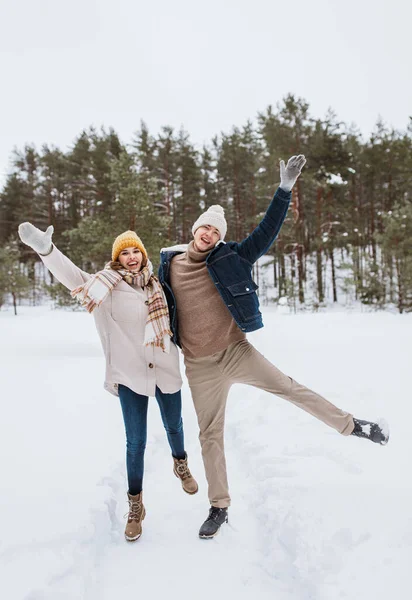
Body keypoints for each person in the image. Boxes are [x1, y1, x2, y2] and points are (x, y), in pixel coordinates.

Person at [158, 155, 389, 539]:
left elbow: (266, 232)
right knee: (209, 434)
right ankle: (219, 506)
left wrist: (284, 190)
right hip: (198, 365)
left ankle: (352, 426)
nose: (209, 235)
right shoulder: (169, 264)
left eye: (216, 231)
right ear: (195, 229)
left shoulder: (232, 256)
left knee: (289, 388)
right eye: (205, 228)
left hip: (236, 351)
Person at [17, 225, 198, 542]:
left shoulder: (159, 286)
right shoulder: (105, 287)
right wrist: (46, 250)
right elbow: (72, 276)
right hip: (130, 375)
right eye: (124, 252)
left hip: (165, 368)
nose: (131, 257)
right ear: (117, 259)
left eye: (135, 251)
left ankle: (180, 462)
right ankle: (136, 506)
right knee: (135, 442)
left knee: (174, 425)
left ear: (143, 254)